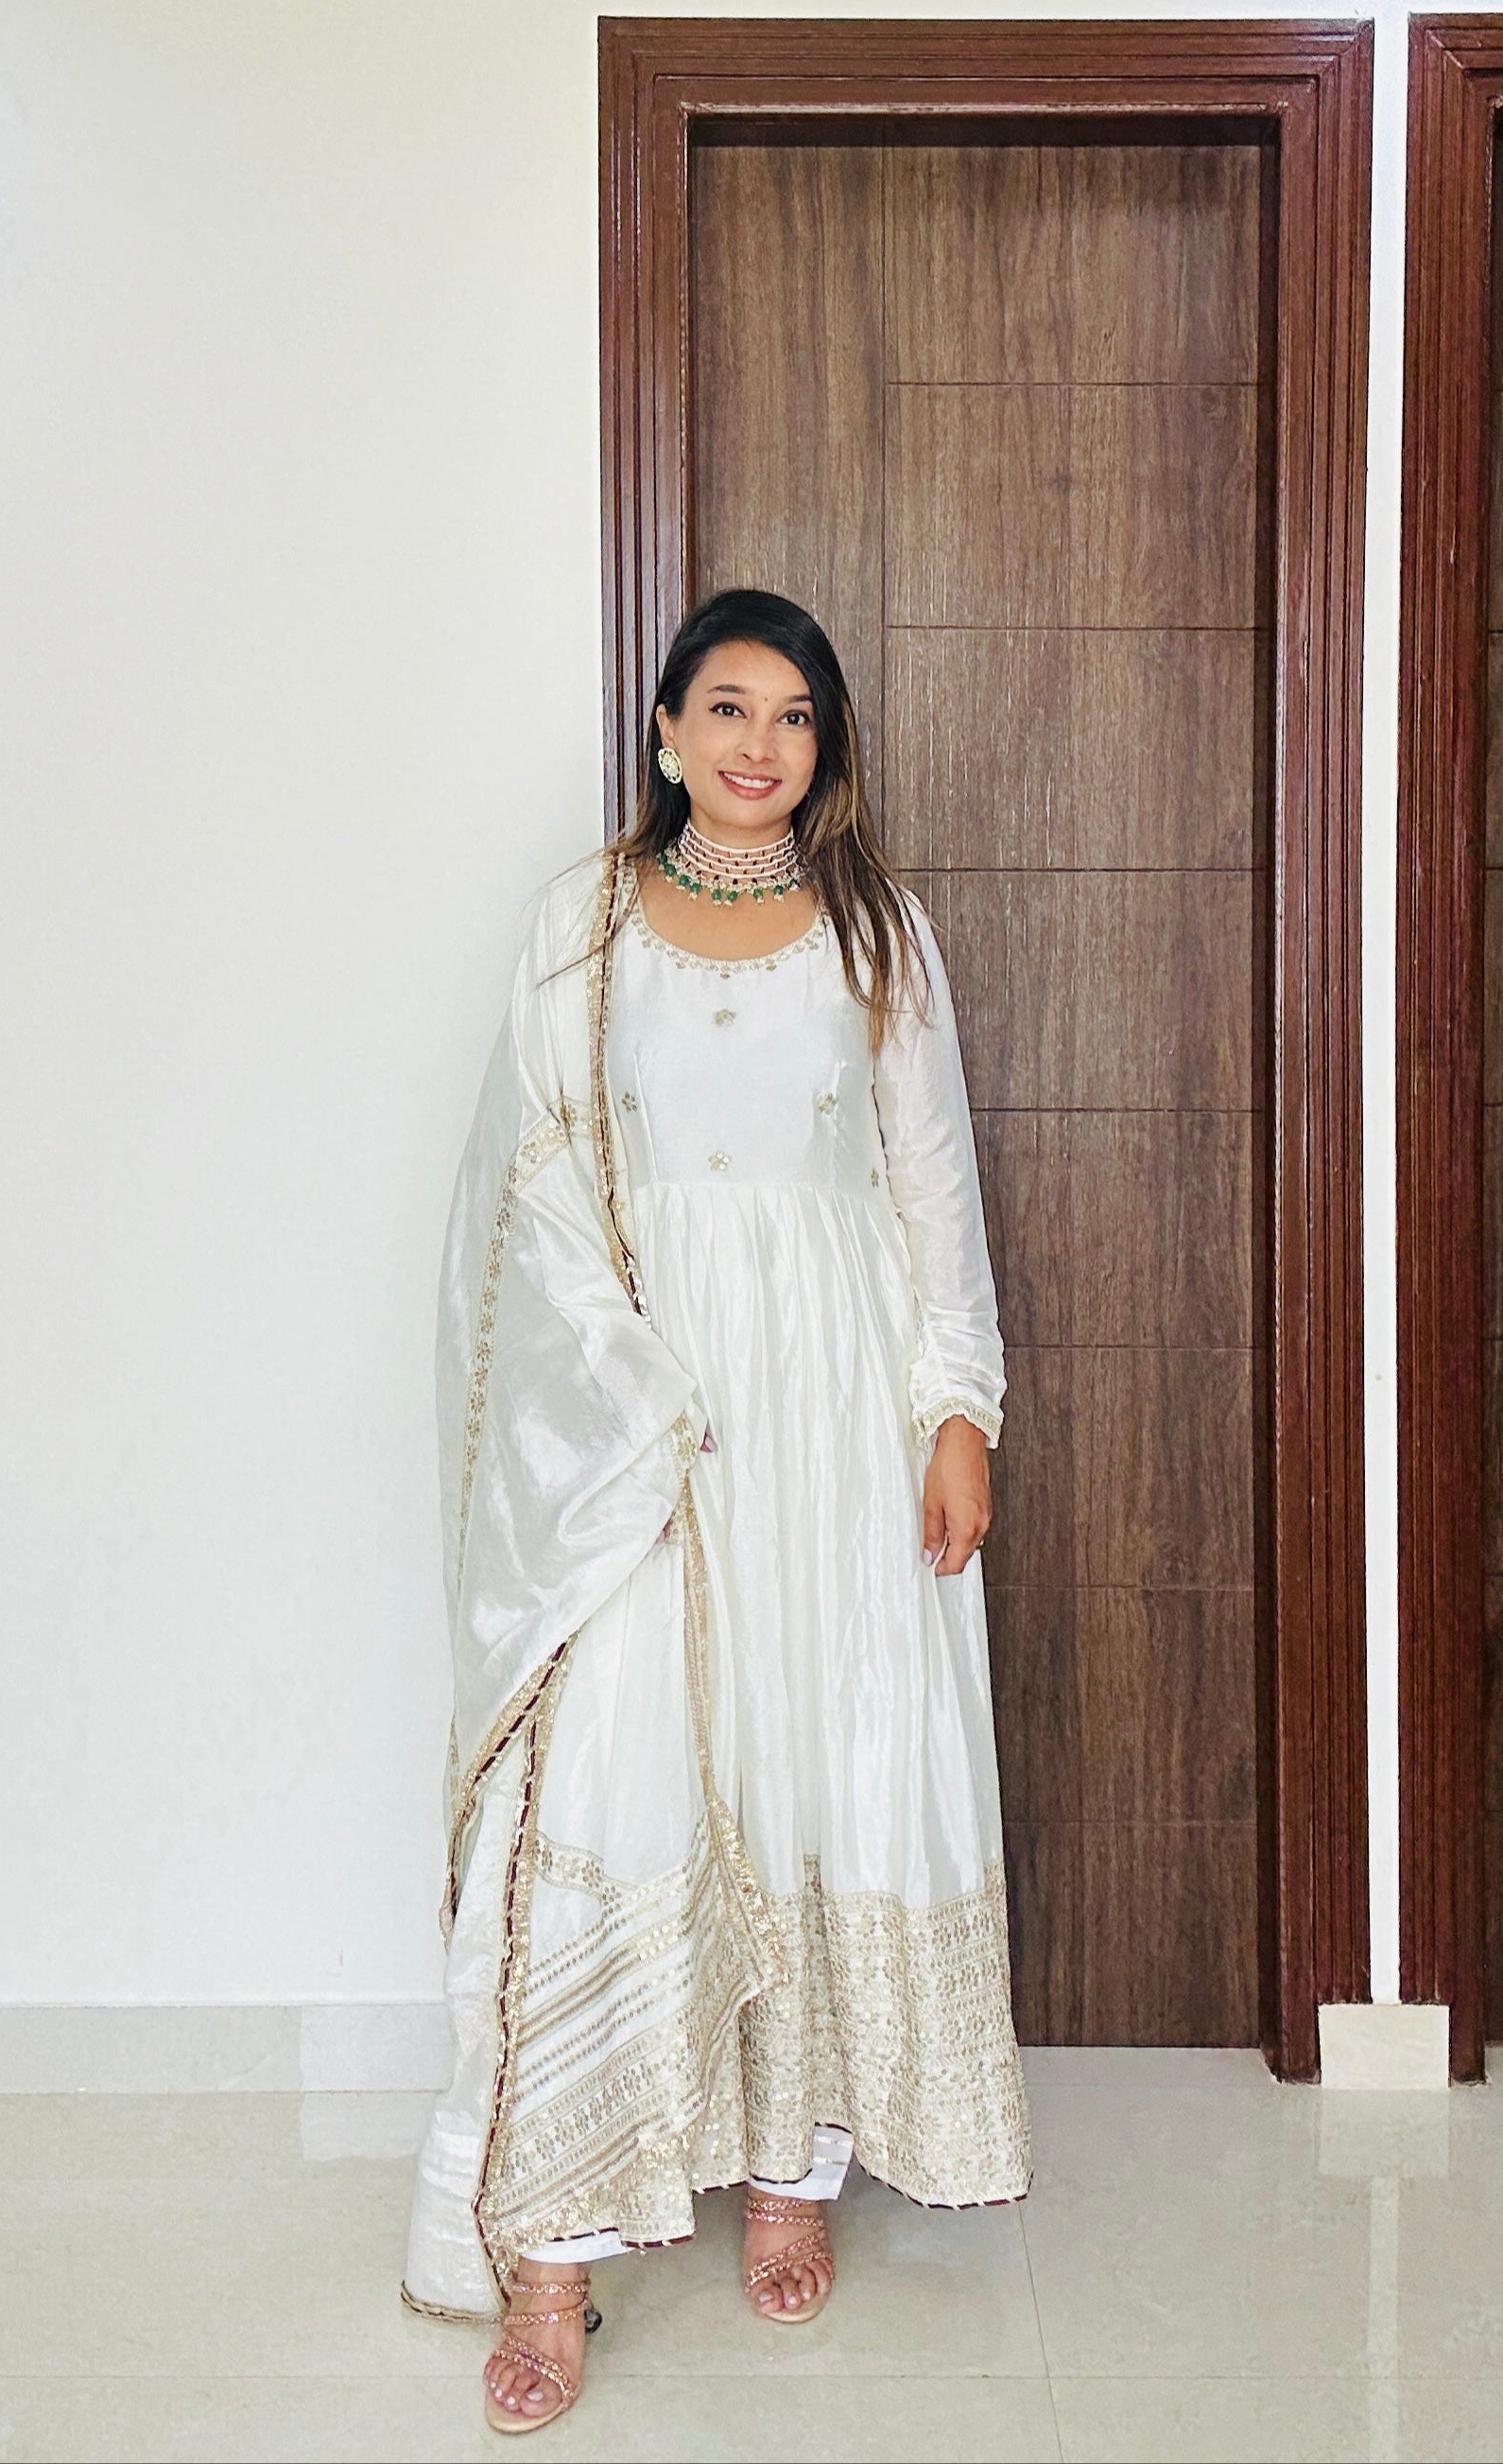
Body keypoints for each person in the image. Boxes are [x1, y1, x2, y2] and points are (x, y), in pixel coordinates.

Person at [402, 588, 1031, 2433]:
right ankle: (552, 2255)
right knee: (616, 1774)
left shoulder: (871, 932)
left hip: (832, 1418)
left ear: (821, 756)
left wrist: (955, 1409)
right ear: (665, 732)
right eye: (726, 707)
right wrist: (624, 1380)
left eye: (795, 717)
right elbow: (522, 1190)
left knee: (811, 1758)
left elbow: (931, 1188)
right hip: (636, 1429)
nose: (760, 743)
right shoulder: (579, 928)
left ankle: (788, 2170)